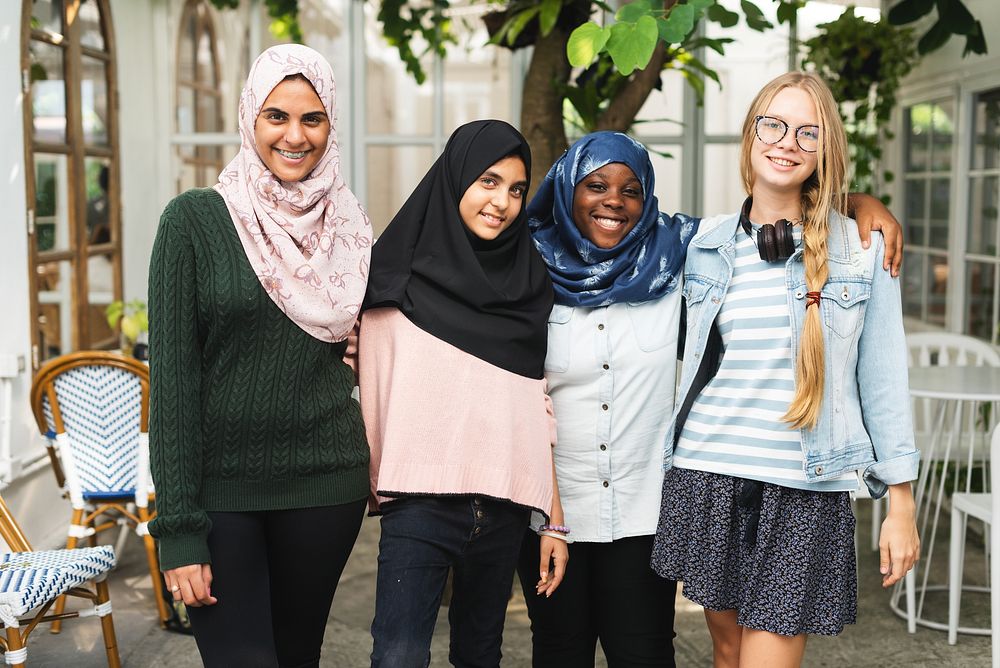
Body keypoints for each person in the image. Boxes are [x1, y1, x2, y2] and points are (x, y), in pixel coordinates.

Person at [519, 129, 904, 667]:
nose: (613, 201)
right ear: (565, 190)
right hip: (554, 507)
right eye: (596, 185)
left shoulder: (676, 252)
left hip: (643, 504)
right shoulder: (524, 268)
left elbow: (773, 210)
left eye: (631, 190)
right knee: (559, 651)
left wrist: (858, 204)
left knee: (647, 652)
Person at [651, 71, 920, 668]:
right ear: (751, 135)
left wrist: (900, 504)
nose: (786, 142)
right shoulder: (701, 244)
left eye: (807, 132)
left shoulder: (862, 249)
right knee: (726, 653)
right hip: (706, 475)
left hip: (804, 488)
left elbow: (883, 381)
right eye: (773, 124)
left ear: (826, 150)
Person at [147, 44, 372, 667]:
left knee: (298, 657)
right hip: (220, 493)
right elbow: (171, 386)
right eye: (277, 116)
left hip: (326, 483)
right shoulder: (193, 222)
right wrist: (178, 530)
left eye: (312, 118)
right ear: (250, 118)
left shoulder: (351, 226)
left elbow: (375, 350)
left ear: (332, 126)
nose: (294, 136)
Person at [358, 119, 566, 668]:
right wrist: (376, 476)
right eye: (488, 181)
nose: (501, 201)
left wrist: (553, 518)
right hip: (419, 502)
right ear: (456, 180)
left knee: (481, 656)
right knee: (398, 656)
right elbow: (362, 376)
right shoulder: (395, 275)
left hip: (502, 509)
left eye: (517, 190)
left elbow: (537, 404)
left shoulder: (529, 284)